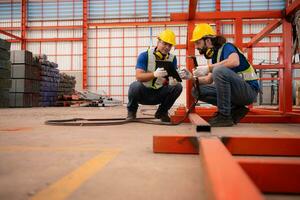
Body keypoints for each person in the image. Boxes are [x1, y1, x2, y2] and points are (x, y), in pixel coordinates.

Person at [190, 23, 260, 127]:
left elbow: (234, 61)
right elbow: (208, 80)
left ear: (208, 40)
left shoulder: (227, 47)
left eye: (198, 42)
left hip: (248, 91)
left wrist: (208, 68)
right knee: (197, 91)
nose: (196, 47)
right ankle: (235, 109)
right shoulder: (216, 57)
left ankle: (224, 116)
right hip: (236, 92)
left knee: (219, 70)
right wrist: (190, 77)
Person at [127, 29, 190, 122]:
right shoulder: (145, 56)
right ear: (158, 42)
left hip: (159, 94)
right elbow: (139, 76)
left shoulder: (172, 59)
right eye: (164, 43)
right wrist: (154, 74)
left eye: (170, 45)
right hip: (144, 93)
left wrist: (175, 79)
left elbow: (171, 79)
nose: (167, 47)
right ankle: (131, 112)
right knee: (134, 86)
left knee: (178, 87)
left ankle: (162, 112)